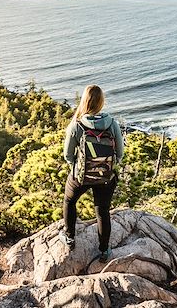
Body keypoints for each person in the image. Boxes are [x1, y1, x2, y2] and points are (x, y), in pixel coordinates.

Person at [60, 84, 124, 262]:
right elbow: (120, 154)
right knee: (102, 211)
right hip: (105, 177)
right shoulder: (112, 124)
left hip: (80, 177)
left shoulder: (76, 125)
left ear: (84, 101)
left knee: (69, 201)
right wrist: (104, 167)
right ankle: (104, 251)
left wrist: (79, 167)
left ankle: (70, 238)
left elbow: (67, 155)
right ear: (101, 102)